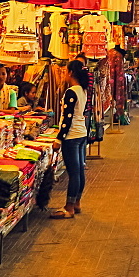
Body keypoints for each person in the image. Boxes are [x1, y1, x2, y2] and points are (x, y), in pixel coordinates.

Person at [50, 59, 89, 219]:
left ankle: (69, 208)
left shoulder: (71, 92)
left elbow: (67, 118)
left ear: (71, 73)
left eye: (66, 71)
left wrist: (59, 139)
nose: (65, 74)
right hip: (81, 134)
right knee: (79, 171)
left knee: (74, 172)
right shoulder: (83, 90)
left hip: (71, 136)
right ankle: (77, 203)